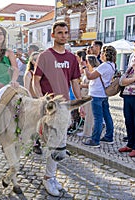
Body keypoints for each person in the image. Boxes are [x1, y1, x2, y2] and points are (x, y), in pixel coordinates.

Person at [32, 21, 83, 197]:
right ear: (53, 35)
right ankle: (48, 177)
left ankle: (50, 176)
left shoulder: (71, 58)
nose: (63, 35)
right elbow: (35, 81)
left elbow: (75, 83)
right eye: (59, 32)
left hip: (64, 109)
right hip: (49, 108)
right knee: (54, 142)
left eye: (66, 32)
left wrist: (80, 104)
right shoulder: (45, 56)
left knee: (59, 143)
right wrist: (42, 101)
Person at [82, 45, 116, 147]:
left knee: (98, 118)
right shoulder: (112, 65)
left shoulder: (104, 66)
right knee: (107, 115)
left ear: (105, 54)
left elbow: (90, 76)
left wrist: (84, 67)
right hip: (104, 94)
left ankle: (95, 140)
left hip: (96, 94)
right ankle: (109, 136)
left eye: (101, 53)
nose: (100, 55)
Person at [118, 47, 135, 157]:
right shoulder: (130, 69)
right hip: (128, 97)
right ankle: (130, 144)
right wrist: (134, 78)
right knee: (128, 121)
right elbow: (122, 81)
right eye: (134, 57)